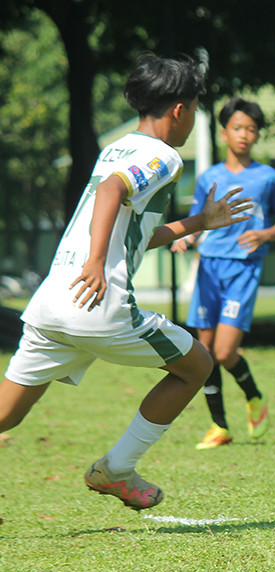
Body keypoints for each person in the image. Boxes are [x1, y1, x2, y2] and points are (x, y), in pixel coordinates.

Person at [0, 53, 252, 511]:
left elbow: (133, 233)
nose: (193, 120)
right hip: (99, 304)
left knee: (6, 413)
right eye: (194, 110)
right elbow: (112, 190)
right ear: (179, 110)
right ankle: (115, 470)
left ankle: (116, 470)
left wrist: (199, 221)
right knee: (197, 366)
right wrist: (97, 262)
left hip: (53, 300)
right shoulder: (164, 155)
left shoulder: (116, 147)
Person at [171, 98, 275, 449]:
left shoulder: (268, 177)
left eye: (251, 129)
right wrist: (186, 238)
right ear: (224, 133)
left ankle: (253, 396)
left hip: (243, 269)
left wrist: (265, 233)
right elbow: (199, 218)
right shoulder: (209, 177)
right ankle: (219, 426)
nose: (245, 135)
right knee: (204, 352)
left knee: (224, 353)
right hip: (209, 267)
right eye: (238, 128)